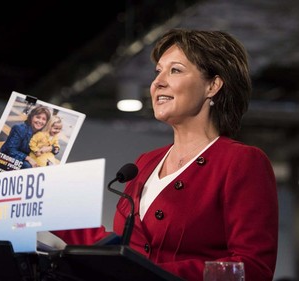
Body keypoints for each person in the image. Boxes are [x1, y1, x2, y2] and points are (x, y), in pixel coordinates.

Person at [51, 28, 279, 281]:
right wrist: (51, 208)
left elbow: (253, 268)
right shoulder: (144, 163)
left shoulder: (242, 161)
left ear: (213, 85)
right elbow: (122, 250)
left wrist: (147, 274)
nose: (158, 81)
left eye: (175, 70)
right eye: (158, 71)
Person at [0, 104, 51, 169]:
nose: (40, 121)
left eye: (44, 119)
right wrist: (28, 158)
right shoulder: (19, 128)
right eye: (38, 117)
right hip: (6, 158)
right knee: (28, 167)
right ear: (31, 117)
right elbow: (10, 150)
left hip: (26, 158)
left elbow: (53, 146)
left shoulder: (42, 134)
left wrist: (51, 148)